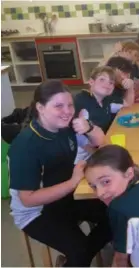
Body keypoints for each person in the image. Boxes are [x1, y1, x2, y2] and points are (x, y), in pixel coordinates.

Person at [8, 80, 111, 267]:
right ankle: (77, 258)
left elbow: (98, 144)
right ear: (40, 107)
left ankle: (74, 260)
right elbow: (27, 199)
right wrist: (73, 182)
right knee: (79, 251)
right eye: (58, 106)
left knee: (116, 213)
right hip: (36, 212)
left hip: (65, 197)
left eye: (69, 105)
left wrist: (88, 127)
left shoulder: (65, 127)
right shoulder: (25, 146)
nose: (67, 111)